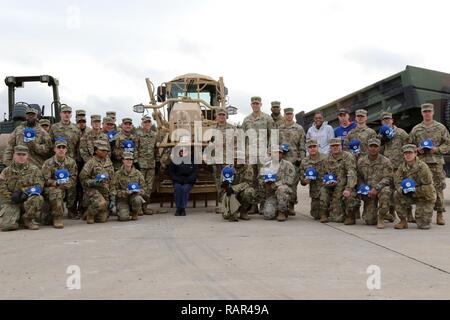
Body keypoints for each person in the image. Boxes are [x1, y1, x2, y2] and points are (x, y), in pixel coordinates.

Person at [409, 103, 450, 225]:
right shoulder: (416, 129)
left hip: (435, 163)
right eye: (425, 111)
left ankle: (440, 214)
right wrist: (416, 150)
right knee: (420, 187)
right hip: (420, 164)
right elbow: (409, 145)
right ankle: (421, 213)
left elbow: (447, 144)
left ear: (433, 112)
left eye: (429, 111)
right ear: (422, 113)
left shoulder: (441, 128)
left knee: (438, 188)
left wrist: (436, 149)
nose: (427, 113)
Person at [242, 96, 274, 214]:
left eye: (257, 103)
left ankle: (263, 205)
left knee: (263, 179)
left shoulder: (267, 119)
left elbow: (273, 136)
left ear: (261, 104)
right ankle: (253, 205)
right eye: (253, 103)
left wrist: (270, 151)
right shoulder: (246, 120)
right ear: (251, 105)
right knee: (251, 179)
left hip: (263, 154)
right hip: (250, 154)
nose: (255, 105)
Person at [0, 146, 44, 231]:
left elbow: (39, 186)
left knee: (38, 198)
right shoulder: (6, 171)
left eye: (23, 154)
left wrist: (24, 191)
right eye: (18, 154)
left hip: (27, 200)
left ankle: (28, 219)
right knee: (7, 226)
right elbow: (2, 188)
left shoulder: (34, 170)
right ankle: (17, 218)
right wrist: (12, 197)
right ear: (14, 155)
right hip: (12, 202)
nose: (21, 156)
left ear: (27, 156)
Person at [394, 144, 436, 230]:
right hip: (408, 193)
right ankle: (403, 221)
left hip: (424, 195)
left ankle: (422, 217)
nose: (408, 155)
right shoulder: (401, 167)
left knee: (423, 225)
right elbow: (397, 182)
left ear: (415, 153)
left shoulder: (422, 167)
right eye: (406, 153)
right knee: (396, 194)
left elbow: (428, 186)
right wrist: (402, 190)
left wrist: (412, 190)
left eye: (410, 153)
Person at [378, 111, 410, 222]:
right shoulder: (380, 135)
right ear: (382, 122)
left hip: (400, 167)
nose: (387, 121)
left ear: (392, 120)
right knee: (389, 190)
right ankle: (391, 213)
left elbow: (408, 148)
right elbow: (378, 151)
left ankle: (408, 214)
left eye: (388, 119)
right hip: (387, 168)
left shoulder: (401, 133)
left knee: (402, 190)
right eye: (384, 120)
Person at [319, 138, 358, 224]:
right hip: (333, 188)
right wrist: (326, 183)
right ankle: (324, 213)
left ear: (341, 146)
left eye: (337, 145)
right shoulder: (326, 160)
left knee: (350, 196)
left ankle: (350, 216)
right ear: (330, 147)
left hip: (345, 186)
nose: (335, 147)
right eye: (333, 146)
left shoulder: (348, 157)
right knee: (323, 190)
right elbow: (323, 175)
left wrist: (349, 188)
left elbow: (352, 173)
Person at [41, 138, 78, 228]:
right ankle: (56, 217)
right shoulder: (48, 163)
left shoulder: (71, 162)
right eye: (59, 147)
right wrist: (56, 184)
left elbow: (73, 177)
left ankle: (70, 211)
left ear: (66, 150)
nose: (61, 149)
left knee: (74, 187)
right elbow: (45, 180)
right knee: (45, 220)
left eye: (63, 147)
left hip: (66, 187)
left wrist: (64, 185)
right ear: (55, 149)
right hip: (52, 188)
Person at [356, 138, 393, 228]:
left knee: (386, 191)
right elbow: (359, 177)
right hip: (368, 191)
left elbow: (388, 178)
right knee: (369, 221)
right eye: (371, 146)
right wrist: (363, 187)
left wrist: (377, 188)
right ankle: (386, 215)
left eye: (375, 146)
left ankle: (381, 217)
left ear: (379, 148)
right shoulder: (361, 161)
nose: (373, 148)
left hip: (381, 189)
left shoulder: (385, 161)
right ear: (367, 148)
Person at [80, 140, 116, 224]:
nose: (105, 152)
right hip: (93, 191)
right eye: (102, 150)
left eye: (106, 150)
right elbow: (83, 179)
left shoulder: (109, 162)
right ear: (96, 150)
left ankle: (88, 212)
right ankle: (90, 214)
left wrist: (113, 196)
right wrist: (94, 182)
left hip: (105, 192)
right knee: (101, 203)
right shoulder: (90, 162)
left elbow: (112, 180)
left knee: (102, 219)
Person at [278, 107, 306, 215]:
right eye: (287, 114)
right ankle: (282, 205)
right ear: (284, 115)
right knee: (282, 183)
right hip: (282, 161)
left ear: (293, 115)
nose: (289, 116)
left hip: (294, 161)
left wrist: (302, 161)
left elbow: (302, 146)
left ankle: (291, 206)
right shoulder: (279, 128)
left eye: (290, 114)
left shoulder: (299, 128)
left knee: (293, 185)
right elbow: (275, 144)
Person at [210, 108, 235, 214]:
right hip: (216, 160)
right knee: (219, 183)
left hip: (227, 160)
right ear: (216, 116)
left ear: (226, 116)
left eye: (223, 115)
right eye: (219, 115)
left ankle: (229, 204)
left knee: (228, 182)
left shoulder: (232, 128)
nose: (221, 117)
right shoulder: (212, 129)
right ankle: (221, 205)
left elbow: (237, 143)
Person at [261, 146, 296, 222]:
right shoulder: (266, 165)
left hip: (284, 192)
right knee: (268, 215)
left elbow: (289, 181)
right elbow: (260, 178)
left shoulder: (288, 165)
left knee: (281, 189)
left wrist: (274, 184)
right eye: (274, 152)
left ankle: (282, 212)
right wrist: (265, 183)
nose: (276, 155)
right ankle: (276, 208)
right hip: (272, 194)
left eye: (279, 153)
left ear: (282, 155)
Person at [219, 151, 254, 222]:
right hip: (230, 193)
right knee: (226, 216)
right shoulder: (227, 168)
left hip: (241, 192)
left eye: (239, 159)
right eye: (235, 159)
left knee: (249, 191)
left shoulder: (248, 168)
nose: (237, 161)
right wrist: (226, 186)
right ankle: (232, 212)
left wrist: (233, 188)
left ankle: (243, 212)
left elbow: (248, 182)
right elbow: (222, 183)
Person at [113, 152, 146, 221]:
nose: (129, 161)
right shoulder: (117, 174)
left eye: (131, 159)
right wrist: (125, 193)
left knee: (138, 199)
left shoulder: (138, 173)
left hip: (134, 197)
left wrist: (139, 191)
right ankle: (124, 211)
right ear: (123, 161)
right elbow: (113, 189)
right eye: (127, 159)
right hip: (123, 199)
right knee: (123, 218)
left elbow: (144, 188)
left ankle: (135, 212)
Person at [136, 115, 159, 215]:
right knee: (141, 186)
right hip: (141, 165)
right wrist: (136, 162)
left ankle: (145, 207)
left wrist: (157, 161)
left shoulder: (154, 135)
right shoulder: (138, 135)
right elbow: (135, 149)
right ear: (142, 124)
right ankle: (139, 208)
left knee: (149, 187)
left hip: (151, 165)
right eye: (145, 122)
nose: (147, 124)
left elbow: (156, 150)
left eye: (149, 122)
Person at [299, 139, 327, 220]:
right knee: (315, 215)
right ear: (307, 149)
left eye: (314, 146)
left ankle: (325, 213)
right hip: (314, 191)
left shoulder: (325, 158)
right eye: (310, 147)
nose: (312, 149)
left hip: (326, 188)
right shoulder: (304, 162)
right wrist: (305, 181)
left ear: (317, 147)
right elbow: (302, 180)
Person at [168, 144, 198, 216]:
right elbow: (171, 172)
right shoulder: (175, 160)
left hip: (188, 181)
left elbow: (195, 172)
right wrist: (177, 179)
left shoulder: (193, 160)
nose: (183, 153)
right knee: (178, 188)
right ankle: (178, 208)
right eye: (181, 152)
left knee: (184, 189)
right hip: (178, 180)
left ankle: (183, 208)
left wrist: (188, 180)